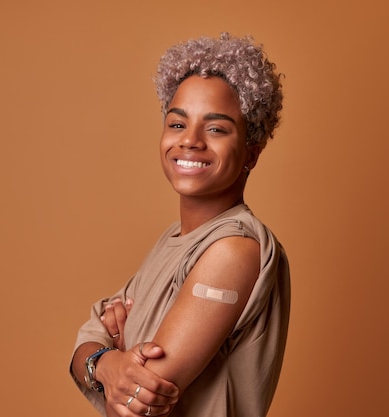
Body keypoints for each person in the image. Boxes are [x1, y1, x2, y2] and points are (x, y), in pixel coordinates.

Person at [70, 32, 290, 417]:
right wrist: (107, 362)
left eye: (216, 128)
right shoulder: (173, 241)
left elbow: (141, 397)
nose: (190, 141)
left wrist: (109, 357)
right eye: (177, 124)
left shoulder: (233, 250)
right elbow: (85, 342)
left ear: (251, 153)